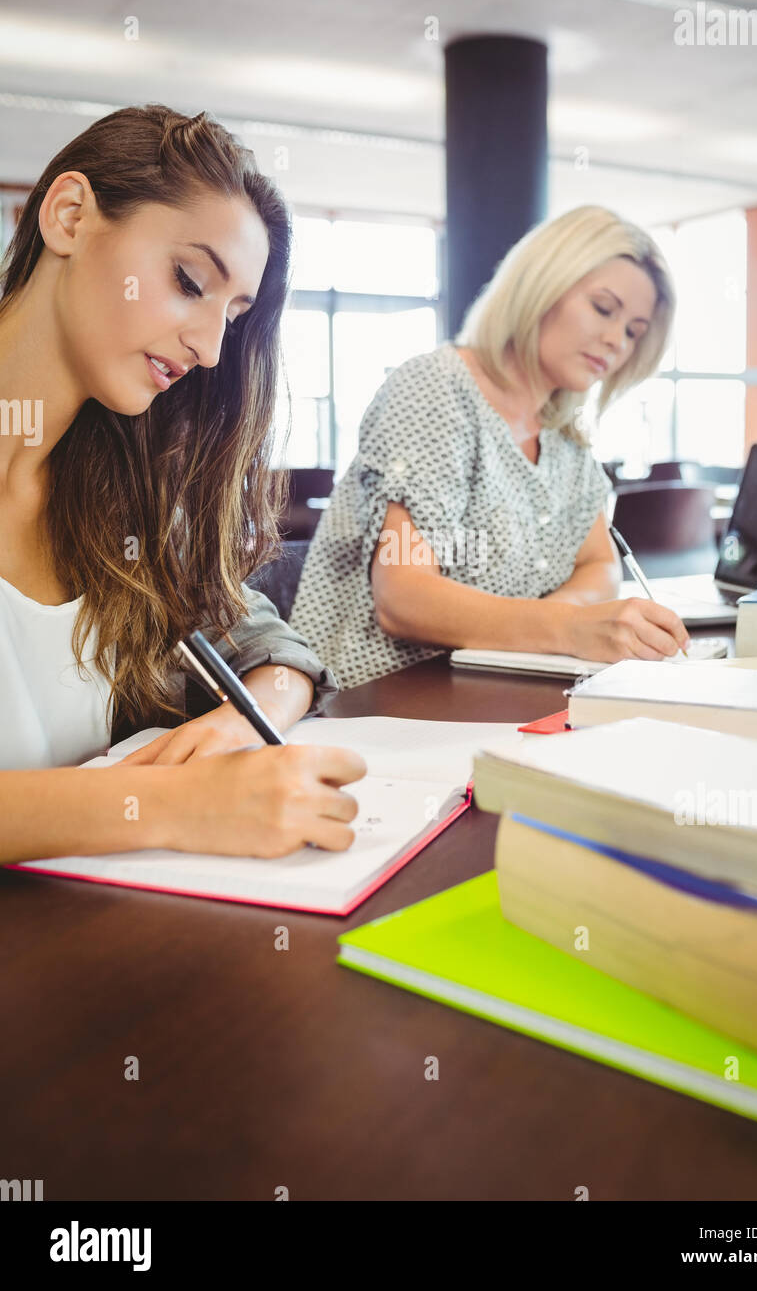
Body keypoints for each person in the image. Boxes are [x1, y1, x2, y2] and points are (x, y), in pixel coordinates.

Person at [0, 104, 364, 865]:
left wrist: (244, 718)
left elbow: (269, 645)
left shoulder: (116, 492)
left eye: (234, 316)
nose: (208, 348)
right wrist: (172, 805)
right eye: (188, 280)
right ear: (68, 216)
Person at [291, 205, 689, 689]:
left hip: (493, 693)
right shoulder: (435, 389)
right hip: (375, 704)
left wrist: (548, 629)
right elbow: (404, 597)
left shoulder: (567, 441)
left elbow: (601, 565)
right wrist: (568, 629)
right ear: (543, 286)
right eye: (603, 309)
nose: (615, 341)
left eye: (633, 332)